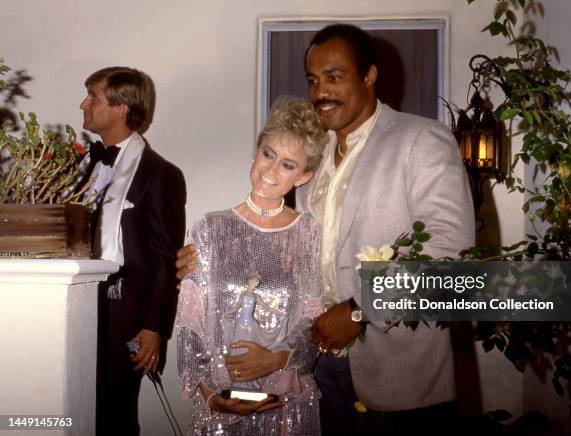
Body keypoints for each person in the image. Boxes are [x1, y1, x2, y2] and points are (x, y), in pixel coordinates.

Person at [177, 24, 474, 435]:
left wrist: (358, 309)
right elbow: (295, 260)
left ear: (369, 76)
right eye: (313, 80)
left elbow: (451, 253)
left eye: (334, 77)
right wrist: (210, 263)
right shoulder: (314, 165)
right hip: (319, 371)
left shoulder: (421, 139)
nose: (321, 92)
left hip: (400, 377)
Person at [176, 96, 328, 435]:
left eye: (288, 165)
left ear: (303, 177)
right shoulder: (209, 229)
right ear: (255, 153)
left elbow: (313, 320)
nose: (271, 171)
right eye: (268, 154)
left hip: (286, 405)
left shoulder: (309, 233)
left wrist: (281, 358)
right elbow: (191, 324)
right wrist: (209, 394)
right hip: (219, 404)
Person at [78, 66, 186, 435]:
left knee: (115, 412)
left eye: (93, 96)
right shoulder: (80, 165)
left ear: (121, 107)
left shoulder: (160, 174)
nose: (84, 104)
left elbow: (163, 257)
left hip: (124, 310)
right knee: (74, 403)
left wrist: (154, 327)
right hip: (76, 303)